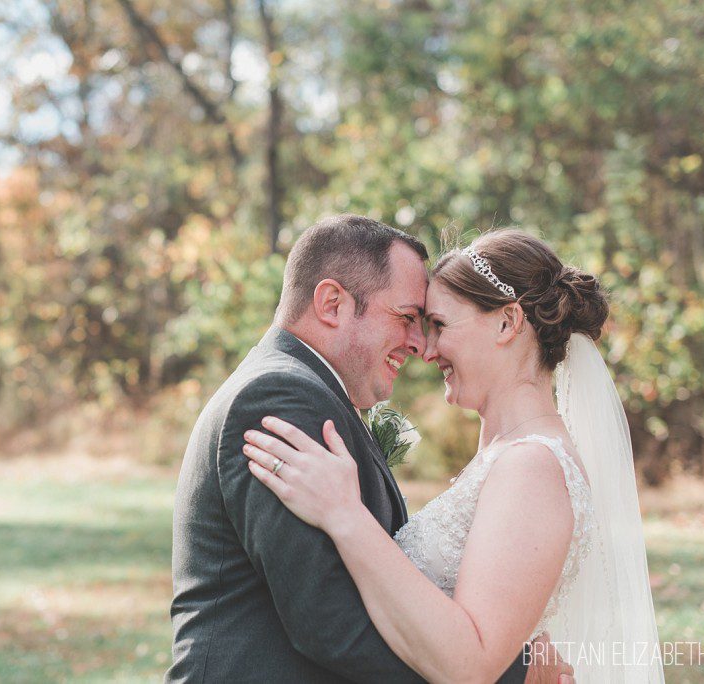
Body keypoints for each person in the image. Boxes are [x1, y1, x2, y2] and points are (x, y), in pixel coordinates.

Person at [242, 229, 664, 683]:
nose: (426, 349)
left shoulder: (531, 467)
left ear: (507, 323)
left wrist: (345, 515)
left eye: (440, 325)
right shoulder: (505, 455)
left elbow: (472, 663)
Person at [166, 216, 569, 682]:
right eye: (407, 318)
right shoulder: (277, 398)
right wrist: (510, 676)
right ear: (332, 303)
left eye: (432, 323)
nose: (420, 344)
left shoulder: (310, 393)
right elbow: (330, 621)